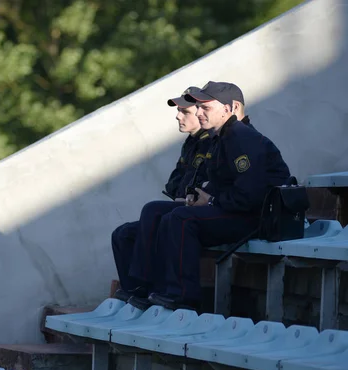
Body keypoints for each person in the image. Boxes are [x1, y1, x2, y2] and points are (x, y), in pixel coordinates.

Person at [142, 81, 290, 311]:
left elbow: (250, 196)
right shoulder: (223, 137)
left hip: (256, 218)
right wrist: (201, 198)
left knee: (181, 219)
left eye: (206, 108)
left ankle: (183, 297)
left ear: (231, 108)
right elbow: (222, 184)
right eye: (198, 108)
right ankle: (146, 290)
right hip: (234, 210)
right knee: (155, 211)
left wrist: (210, 201)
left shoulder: (241, 137)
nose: (199, 113)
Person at [111, 86, 211, 302]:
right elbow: (175, 182)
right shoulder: (191, 143)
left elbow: (206, 185)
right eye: (178, 111)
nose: (177, 116)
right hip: (181, 207)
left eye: (184, 112)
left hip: (200, 212)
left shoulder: (212, 141)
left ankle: (146, 286)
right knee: (122, 234)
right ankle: (134, 290)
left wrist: (186, 196)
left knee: (153, 210)